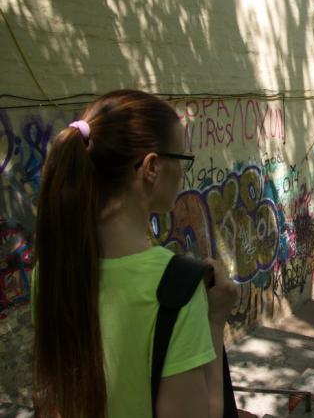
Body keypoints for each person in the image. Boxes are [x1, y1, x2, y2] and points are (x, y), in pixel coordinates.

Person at [31, 90, 237, 418]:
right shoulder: (175, 287)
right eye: (181, 159)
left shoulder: (48, 273)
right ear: (152, 167)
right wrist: (215, 320)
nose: (182, 172)